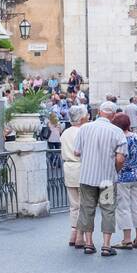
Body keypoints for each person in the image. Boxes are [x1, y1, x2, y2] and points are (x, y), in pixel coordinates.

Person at [73, 101, 127, 257]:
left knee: (87, 209)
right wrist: (114, 171)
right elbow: (121, 158)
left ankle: (89, 243)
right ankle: (106, 245)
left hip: (87, 177)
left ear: (99, 112)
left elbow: (77, 152)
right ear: (113, 114)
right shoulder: (117, 132)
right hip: (107, 180)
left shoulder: (84, 128)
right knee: (108, 210)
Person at [113, 112, 137, 250]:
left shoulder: (119, 139)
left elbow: (119, 159)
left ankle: (126, 239)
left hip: (124, 176)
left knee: (123, 207)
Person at [61, 104, 90, 249]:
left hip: (69, 168)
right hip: (82, 168)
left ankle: (73, 233)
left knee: (74, 205)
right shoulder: (84, 131)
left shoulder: (65, 132)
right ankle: (80, 236)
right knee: (84, 204)